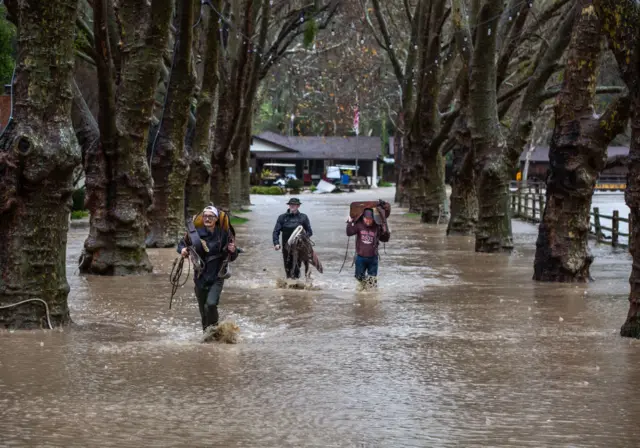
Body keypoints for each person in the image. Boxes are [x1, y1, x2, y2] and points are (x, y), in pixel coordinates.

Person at [177, 205, 238, 332]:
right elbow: (182, 244)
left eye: (211, 216)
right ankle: (207, 335)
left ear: (216, 219)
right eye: (205, 216)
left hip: (217, 276)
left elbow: (232, 256)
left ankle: (215, 330)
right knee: (203, 312)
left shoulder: (224, 234)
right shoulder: (194, 233)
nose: (207, 219)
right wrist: (182, 250)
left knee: (210, 305)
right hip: (200, 277)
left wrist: (233, 251)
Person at [346, 208, 390, 288]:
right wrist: (350, 222)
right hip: (360, 258)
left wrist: (385, 224)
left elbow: (385, 239)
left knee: (372, 281)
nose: (368, 221)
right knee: (358, 277)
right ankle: (363, 290)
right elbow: (349, 233)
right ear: (363, 218)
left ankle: (370, 295)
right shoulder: (359, 225)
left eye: (370, 219)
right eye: (366, 219)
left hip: (373, 258)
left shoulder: (377, 226)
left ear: (373, 219)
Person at [272, 197, 313, 279]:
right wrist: (276, 243)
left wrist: (302, 237)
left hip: (299, 247)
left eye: (294, 204)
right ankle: (289, 284)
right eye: (291, 204)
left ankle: (295, 284)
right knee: (287, 267)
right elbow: (276, 231)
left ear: (298, 206)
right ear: (289, 205)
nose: (292, 206)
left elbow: (310, 232)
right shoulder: (282, 217)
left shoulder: (303, 217)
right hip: (286, 246)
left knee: (296, 267)